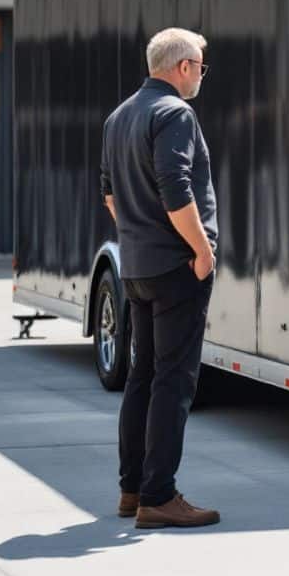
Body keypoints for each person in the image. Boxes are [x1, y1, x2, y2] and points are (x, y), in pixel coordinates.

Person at [100, 27, 220, 529]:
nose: (200, 77)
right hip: (176, 268)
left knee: (143, 378)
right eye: (200, 67)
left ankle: (132, 490)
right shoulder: (175, 113)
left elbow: (109, 194)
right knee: (174, 382)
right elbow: (177, 188)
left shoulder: (119, 116)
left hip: (138, 266)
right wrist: (202, 251)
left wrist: (138, 237)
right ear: (183, 66)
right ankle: (159, 496)